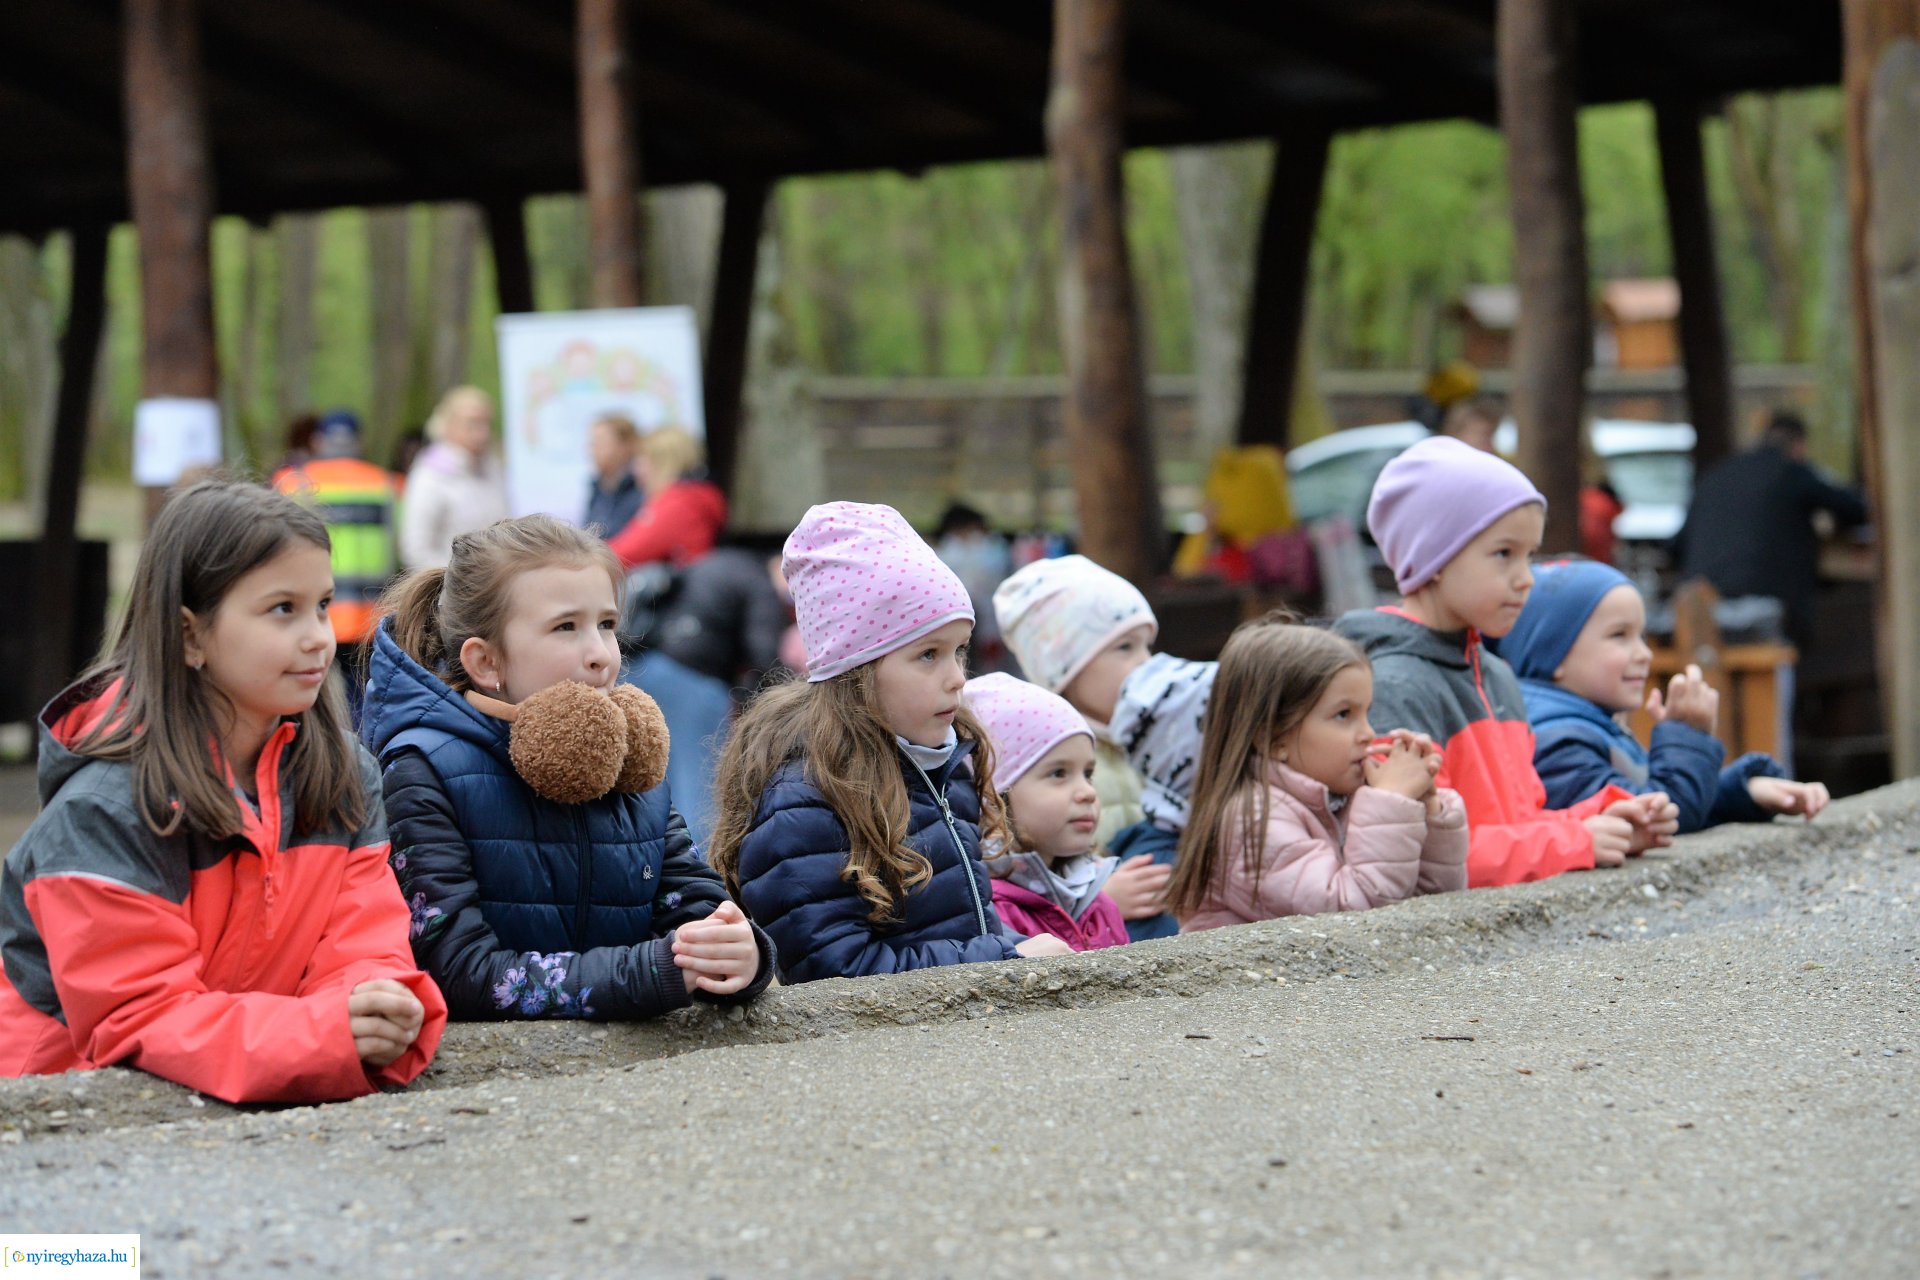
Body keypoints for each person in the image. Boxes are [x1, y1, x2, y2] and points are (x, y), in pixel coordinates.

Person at [0, 479, 445, 1102]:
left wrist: (371, 1003)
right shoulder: (101, 810)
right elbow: (139, 1019)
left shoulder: (344, 774)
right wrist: (323, 1033)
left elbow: (363, 942)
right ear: (189, 635)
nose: (319, 636)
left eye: (322, 604)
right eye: (282, 609)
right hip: (66, 1107)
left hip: (256, 1080)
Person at [362, 515, 771, 1021]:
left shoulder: (625, 762)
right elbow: (457, 972)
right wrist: (648, 973)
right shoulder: (423, 772)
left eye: (607, 625)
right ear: (486, 662)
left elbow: (696, 909)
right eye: (565, 627)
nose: (601, 654)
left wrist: (742, 955)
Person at [707, 502, 1071, 983]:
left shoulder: (942, 769)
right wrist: (1004, 961)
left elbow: (963, 927)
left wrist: (1016, 947)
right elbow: (834, 974)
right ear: (855, 671)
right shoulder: (805, 803)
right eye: (928, 654)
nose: (957, 678)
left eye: (959, 651)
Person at [1334, 437, 1679, 886]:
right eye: (1504, 554)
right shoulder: (1394, 686)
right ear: (1435, 557)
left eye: (1529, 556)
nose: (1526, 579)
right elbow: (1426, 856)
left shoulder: (1494, 675)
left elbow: (1518, 821)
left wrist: (1605, 817)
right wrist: (1575, 842)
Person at [1169, 616, 1468, 928]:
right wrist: (1390, 800)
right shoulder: (1252, 820)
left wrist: (1426, 809)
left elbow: (1434, 907)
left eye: (1366, 713)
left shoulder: (1341, 799)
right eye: (1343, 715)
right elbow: (1350, 919)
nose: (1368, 733)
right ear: (1272, 738)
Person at [1499, 560, 1831, 832]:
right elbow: (1658, 818)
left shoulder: (1582, 725)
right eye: (1619, 635)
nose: (1644, 654)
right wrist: (1686, 735)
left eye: (1641, 636)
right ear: (1553, 653)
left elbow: (1651, 794)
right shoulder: (1555, 742)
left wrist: (1743, 792)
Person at [966, 673, 1172, 951]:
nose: (1088, 792)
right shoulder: (987, 915)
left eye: (1088, 774)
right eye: (1059, 773)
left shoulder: (1098, 899)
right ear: (993, 796)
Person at [993, 555, 1158, 846]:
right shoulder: (1042, 759)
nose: (1146, 661)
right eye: (1125, 647)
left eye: (1147, 646)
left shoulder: (1152, 741)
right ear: (1062, 668)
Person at [1676, 409, 1869, 649]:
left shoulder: (1715, 475)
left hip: (1701, 609)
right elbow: (1856, 509)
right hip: (1768, 610)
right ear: (1799, 446)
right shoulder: (1790, 472)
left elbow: (1676, 545)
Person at [272, 409, 400, 724]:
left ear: (318, 441)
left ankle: (313, 749)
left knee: (306, 700)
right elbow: (403, 546)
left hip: (313, 611)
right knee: (365, 698)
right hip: (370, 613)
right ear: (360, 440)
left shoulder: (292, 483)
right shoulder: (386, 483)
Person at [400, 386, 511, 570]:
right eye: (472, 423)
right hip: (451, 581)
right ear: (448, 425)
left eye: (486, 423)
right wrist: (457, 578)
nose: (482, 433)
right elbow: (416, 549)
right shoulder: (430, 475)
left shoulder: (493, 470)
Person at [606, 427, 727, 571]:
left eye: (641, 460)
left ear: (661, 462)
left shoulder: (679, 504)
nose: (635, 469)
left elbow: (623, 555)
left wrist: (586, 558)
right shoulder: (692, 497)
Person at [583, 412, 645, 539]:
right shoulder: (597, 487)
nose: (593, 451)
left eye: (601, 443)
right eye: (592, 444)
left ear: (625, 446)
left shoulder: (642, 487)